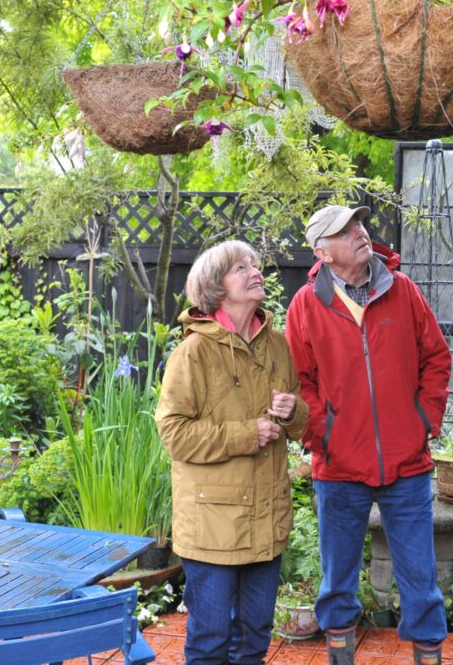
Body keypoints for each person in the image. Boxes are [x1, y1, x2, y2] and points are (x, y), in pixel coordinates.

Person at [286, 204, 451, 665]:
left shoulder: (403, 292)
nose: (361, 232)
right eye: (346, 230)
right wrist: (326, 435)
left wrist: (422, 423)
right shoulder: (305, 306)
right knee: (337, 579)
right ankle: (341, 656)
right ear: (322, 251)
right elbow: (300, 382)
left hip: (407, 466)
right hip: (338, 468)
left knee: (421, 579)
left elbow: (436, 359)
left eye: (359, 224)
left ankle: (429, 656)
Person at [157, 240, 309, 665]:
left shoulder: (277, 345)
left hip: (266, 519)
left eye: (256, 265)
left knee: (254, 641)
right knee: (210, 643)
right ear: (215, 287)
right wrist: (246, 434)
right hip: (211, 527)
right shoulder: (193, 353)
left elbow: (300, 421)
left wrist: (293, 410)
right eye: (241, 268)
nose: (255, 272)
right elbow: (173, 433)